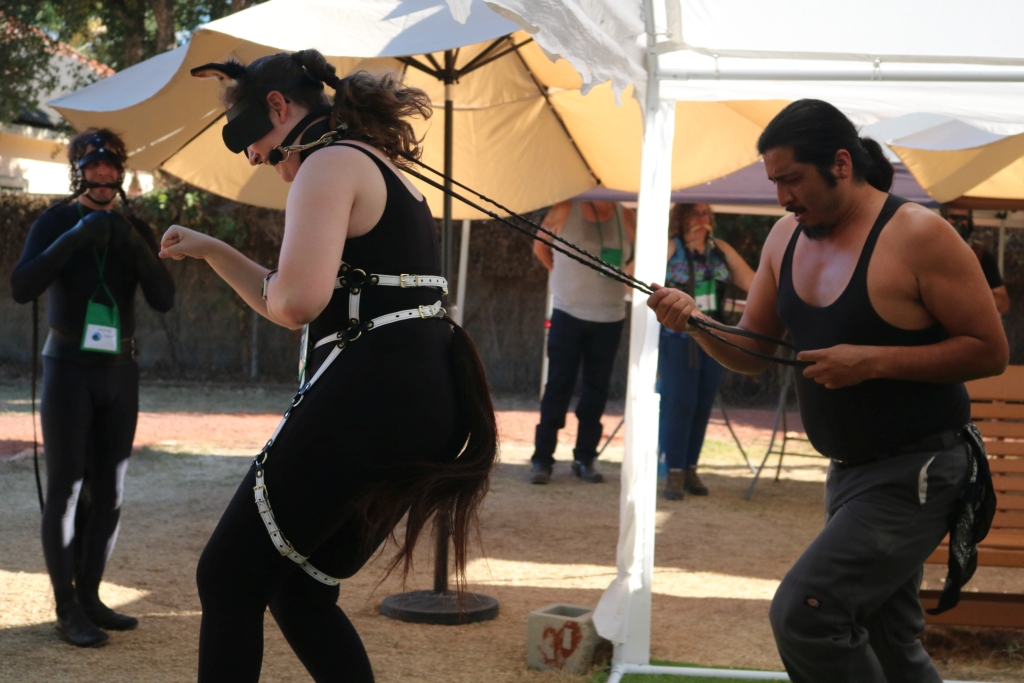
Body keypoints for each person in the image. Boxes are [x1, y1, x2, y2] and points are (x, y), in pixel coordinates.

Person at [160, 51, 497, 682]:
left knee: (228, 578)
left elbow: (294, 304)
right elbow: (294, 298)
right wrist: (214, 251)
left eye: (247, 136)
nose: (252, 157)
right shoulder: (380, 168)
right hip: (422, 400)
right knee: (299, 589)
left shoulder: (327, 164)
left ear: (278, 107)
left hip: (374, 397)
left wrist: (241, 265)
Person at [647, 99, 1007, 683]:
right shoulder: (783, 239)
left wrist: (874, 361)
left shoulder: (919, 234)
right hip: (848, 472)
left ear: (841, 164)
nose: (782, 197)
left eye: (792, 179)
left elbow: (989, 350)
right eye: (774, 182)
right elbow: (752, 352)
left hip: (919, 470)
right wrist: (696, 323)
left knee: (806, 614)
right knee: (888, 641)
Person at [10, 129, 176, 647]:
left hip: (120, 371)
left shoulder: (135, 227)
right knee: (66, 488)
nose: (103, 172)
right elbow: (22, 287)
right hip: (68, 369)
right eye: (92, 163)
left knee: (110, 491)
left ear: (122, 172)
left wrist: (134, 243)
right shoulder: (54, 221)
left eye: (112, 164)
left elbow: (164, 299)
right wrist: (76, 237)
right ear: (78, 170)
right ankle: (66, 609)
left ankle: (90, 597)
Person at [530, 200, 636, 484]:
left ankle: (585, 459)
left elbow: (636, 258)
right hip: (568, 313)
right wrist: (560, 277)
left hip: (610, 317)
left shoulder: (626, 215)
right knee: (558, 385)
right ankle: (542, 459)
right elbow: (540, 247)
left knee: (597, 389)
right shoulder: (565, 209)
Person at [658, 203, 755, 500]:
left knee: (702, 404)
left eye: (706, 214)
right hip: (678, 337)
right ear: (682, 218)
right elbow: (635, 276)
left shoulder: (720, 249)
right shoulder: (671, 248)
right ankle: (673, 471)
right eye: (695, 214)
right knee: (679, 403)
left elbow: (752, 282)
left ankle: (690, 468)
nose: (702, 219)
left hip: (713, 335)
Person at [943, 207, 1011, 313]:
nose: (958, 223)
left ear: (970, 222)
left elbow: (1002, 304)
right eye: (954, 217)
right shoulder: (928, 253)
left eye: (963, 218)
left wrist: (971, 292)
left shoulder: (982, 256)